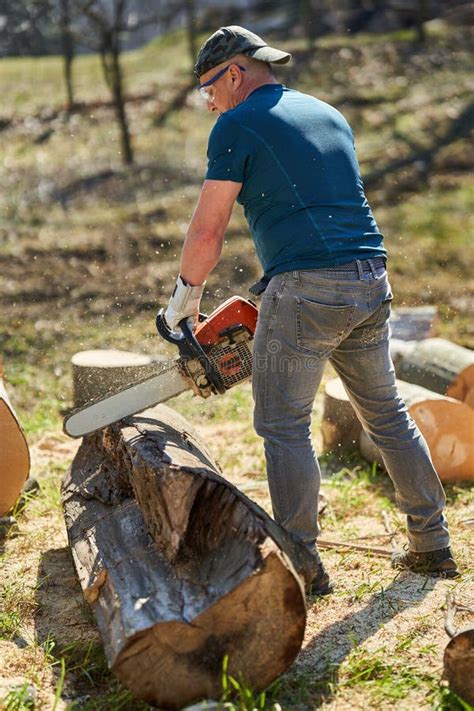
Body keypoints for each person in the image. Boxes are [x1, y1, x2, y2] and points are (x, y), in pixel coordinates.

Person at [163, 25, 458, 594]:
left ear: (234, 72)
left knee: (281, 424)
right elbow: (321, 208)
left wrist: (184, 299)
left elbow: (208, 228)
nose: (209, 102)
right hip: (369, 279)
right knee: (387, 412)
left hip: (310, 289)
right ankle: (432, 542)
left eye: (209, 88)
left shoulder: (238, 122)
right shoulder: (326, 112)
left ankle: (301, 561)